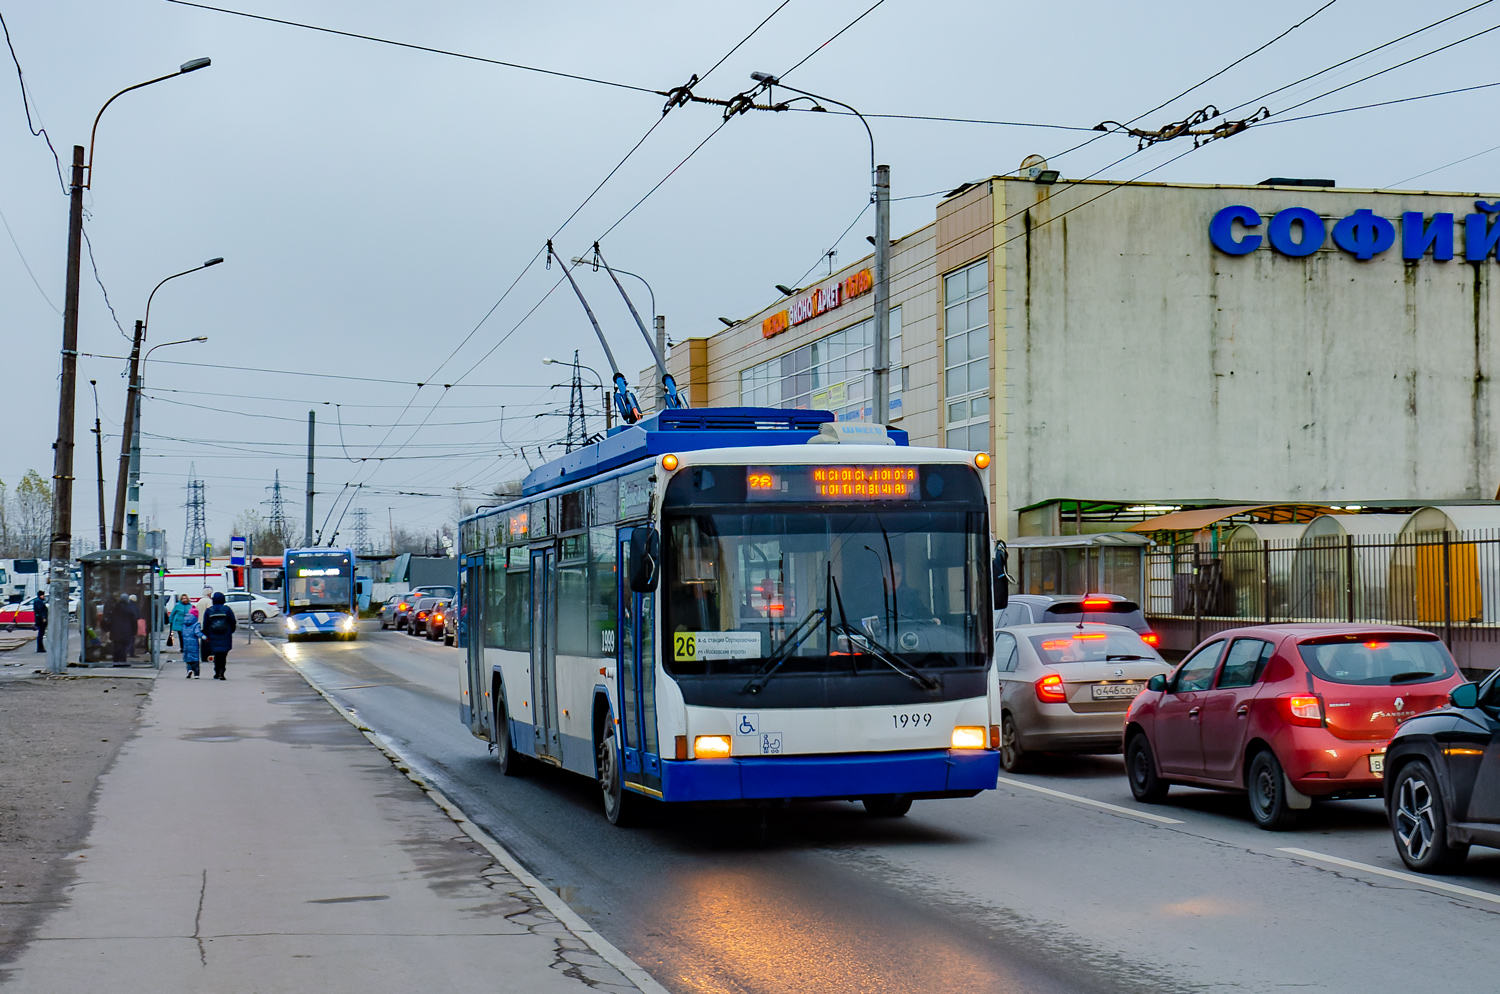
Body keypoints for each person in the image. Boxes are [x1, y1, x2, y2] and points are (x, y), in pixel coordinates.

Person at [201, 592, 237, 680]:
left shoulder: (209, 610)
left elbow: (205, 624)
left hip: (213, 635)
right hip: (225, 634)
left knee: (216, 654)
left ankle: (217, 671)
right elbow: (233, 621)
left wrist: (206, 634)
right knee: (223, 654)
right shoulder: (227, 609)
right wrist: (231, 631)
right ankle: (222, 671)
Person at [110, 593, 139, 664]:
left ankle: (116, 661)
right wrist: (134, 631)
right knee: (124, 647)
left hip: (115, 631)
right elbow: (134, 621)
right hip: (126, 631)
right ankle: (123, 661)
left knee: (116, 647)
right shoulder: (129, 609)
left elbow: (111, 619)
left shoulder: (115, 608)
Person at [180, 605, 203, 678]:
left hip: (186, 643)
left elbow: (182, 632)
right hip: (194, 643)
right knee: (195, 658)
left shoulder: (184, 623)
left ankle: (189, 670)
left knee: (188, 658)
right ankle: (196, 674)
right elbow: (197, 633)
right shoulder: (196, 624)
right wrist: (204, 637)